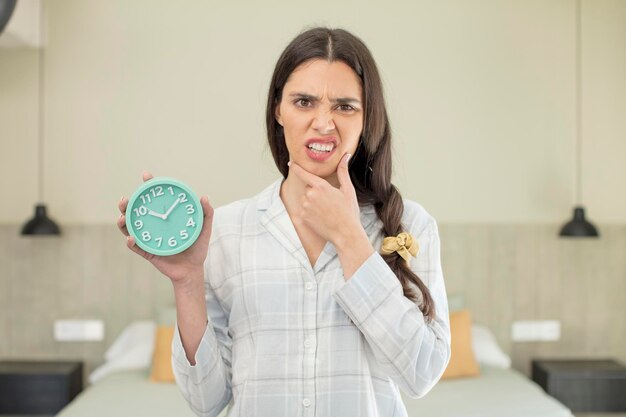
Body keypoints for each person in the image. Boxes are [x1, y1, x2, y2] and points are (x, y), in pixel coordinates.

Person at [117, 27, 451, 417]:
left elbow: (422, 374)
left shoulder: (411, 224)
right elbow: (205, 402)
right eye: (304, 101)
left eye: (344, 106)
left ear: (367, 117)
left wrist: (349, 239)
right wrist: (188, 282)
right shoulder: (226, 231)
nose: (323, 123)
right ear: (278, 109)